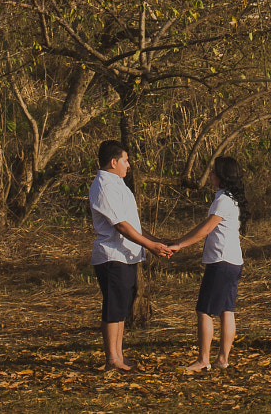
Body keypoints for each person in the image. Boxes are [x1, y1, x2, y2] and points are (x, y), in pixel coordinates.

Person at [87, 140, 174, 373]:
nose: (128, 165)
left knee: (122, 307)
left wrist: (156, 240)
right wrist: (151, 246)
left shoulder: (119, 185)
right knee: (113, 307)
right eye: (125, 160)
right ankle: (112, 358)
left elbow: (133, 224)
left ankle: (119, 354)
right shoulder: (104, 186)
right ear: (113, 162)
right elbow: (122, 226)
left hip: (128, 256)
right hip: (112, 256)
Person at [167, 156, 248, 372]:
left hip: (221, 261)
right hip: (233, 261)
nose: (210, 174)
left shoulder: (223, 200)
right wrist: (179, 241)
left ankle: (204, 359)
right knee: (227, 311)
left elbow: (205, 229)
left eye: (213, 172)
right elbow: (204, 226)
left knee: (204, 311)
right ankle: (223, 359)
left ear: (222, 176)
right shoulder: (231, 199)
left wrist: (180, 245)